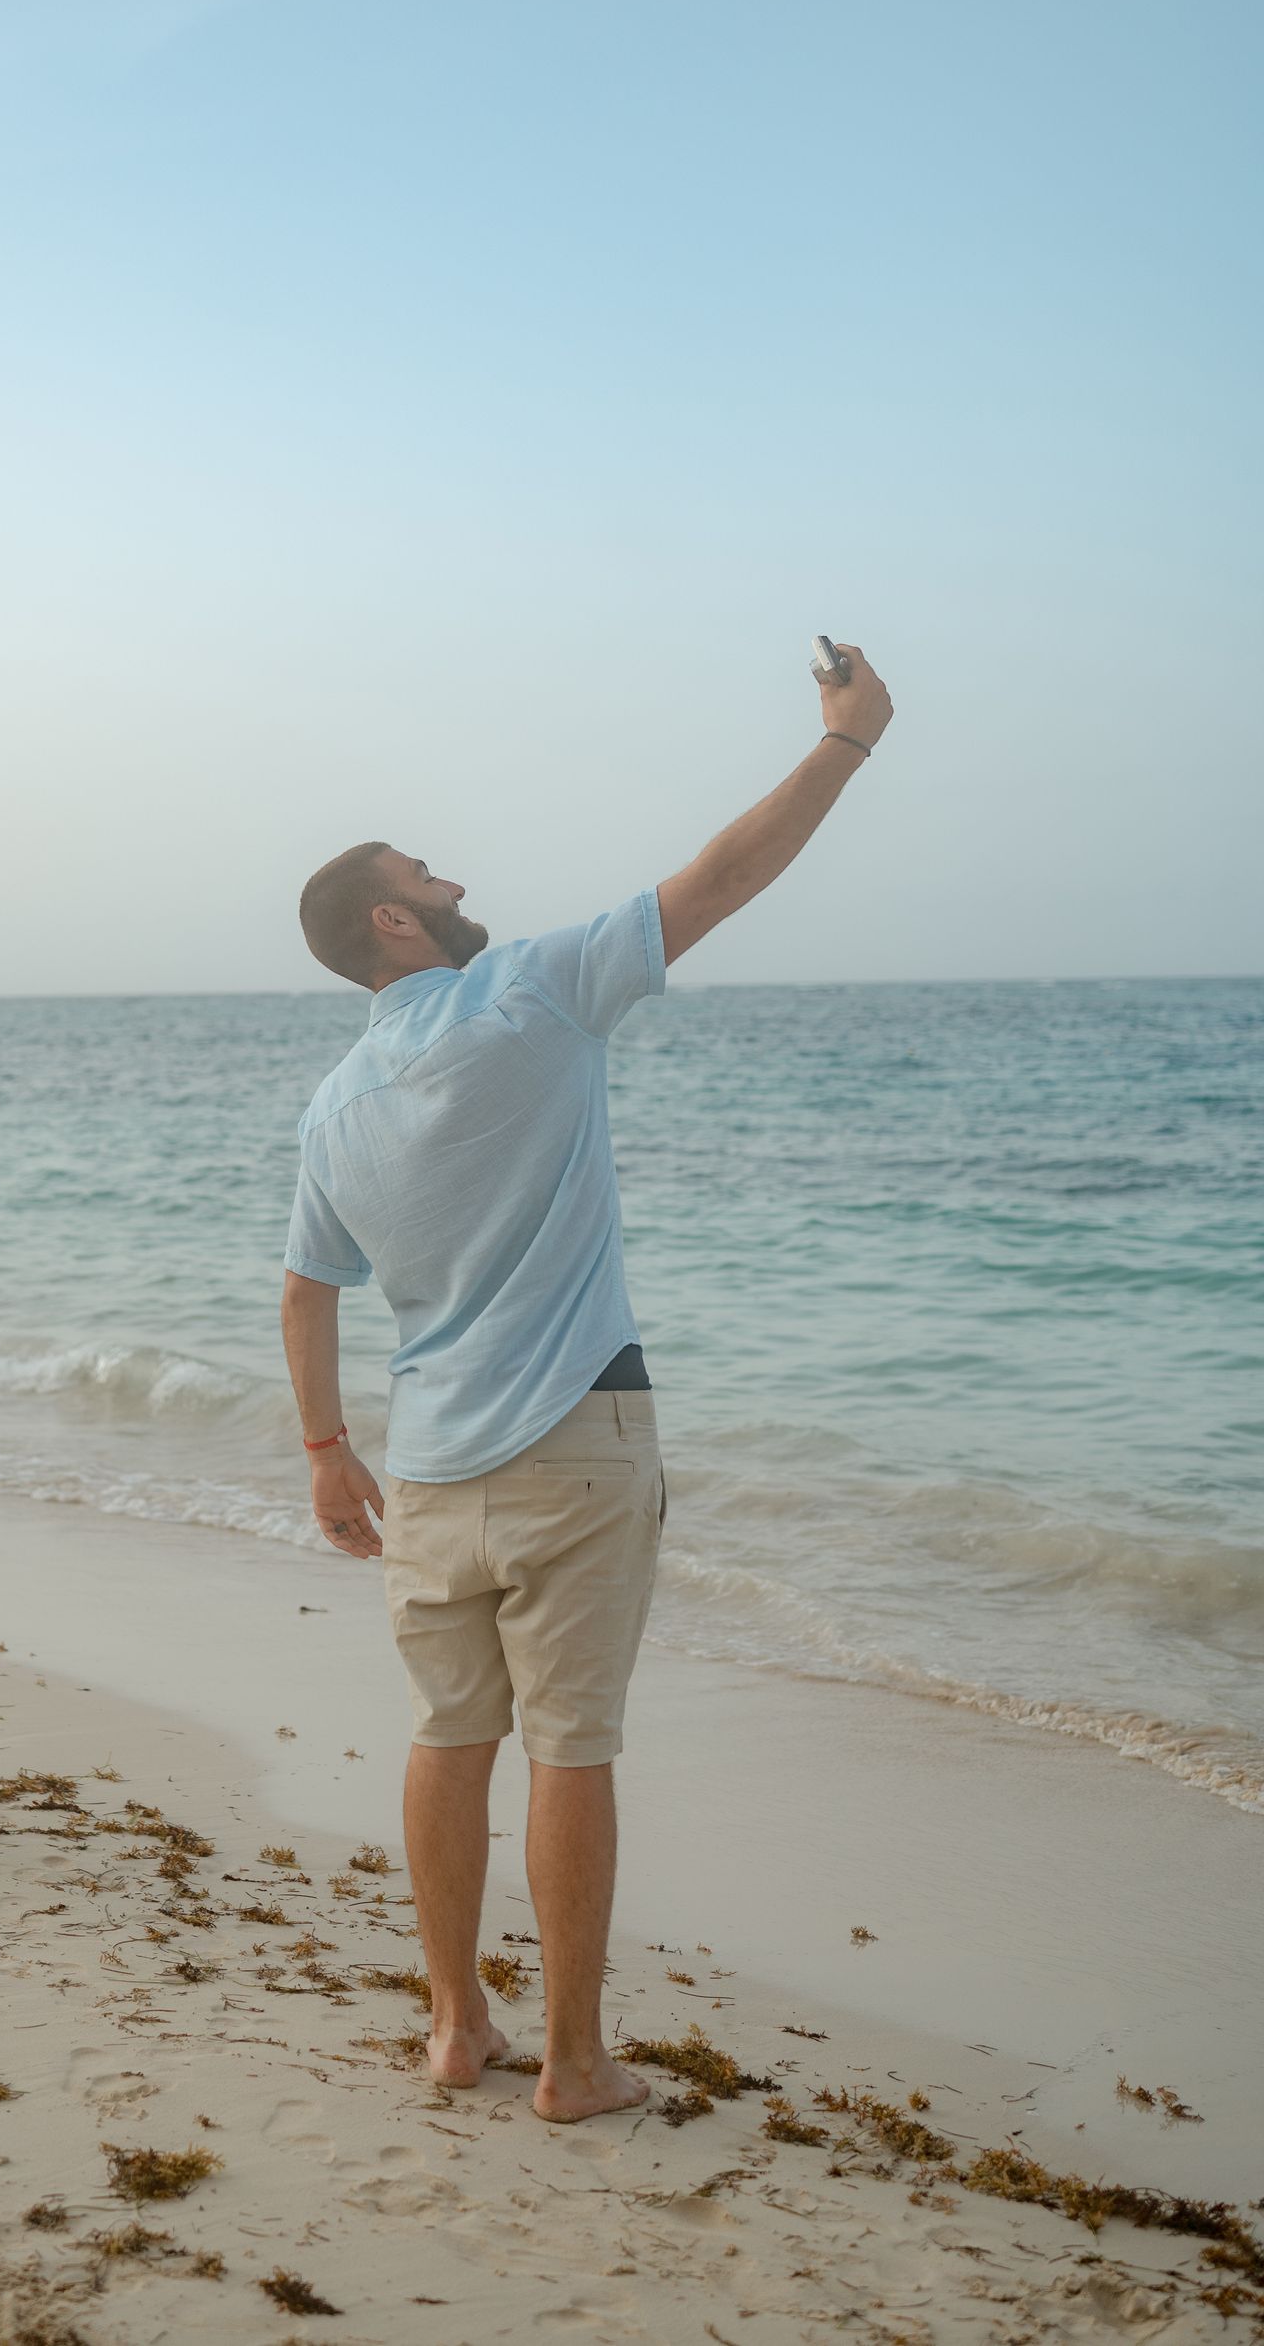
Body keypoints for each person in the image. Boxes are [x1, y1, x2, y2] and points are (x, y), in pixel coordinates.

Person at [281, 646, 894, 2121]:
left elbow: (308, 1285)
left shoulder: (334, 1100)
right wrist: (846, 744)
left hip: (427, 1467)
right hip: (575, 1433)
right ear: (392, 914)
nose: (450, 874)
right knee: (572, 1748)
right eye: (424, 868)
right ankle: (568, 2060)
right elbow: (720, 878)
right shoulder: (531, 990)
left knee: (448, 1737)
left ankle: (452, 2027)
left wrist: (324, 1447)